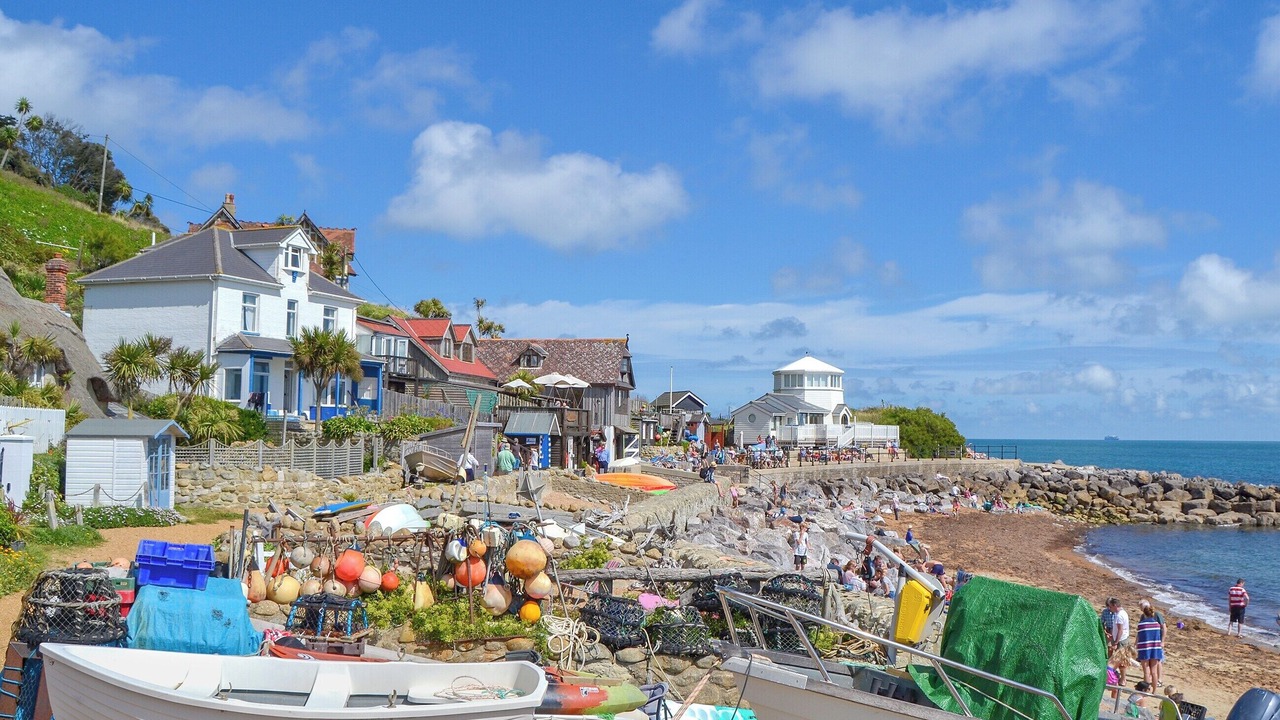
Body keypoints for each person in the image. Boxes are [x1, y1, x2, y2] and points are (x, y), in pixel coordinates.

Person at [1135, 599, 1166, 688]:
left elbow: (1164, 628)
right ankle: (1153, 688)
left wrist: (1162, 641)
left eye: (1141, 607)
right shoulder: (1153, 622)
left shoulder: (1157, 615)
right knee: (1153, 669)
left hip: (1150, 645)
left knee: (1148, 669)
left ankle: (1154, 683)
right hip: (1154, 645)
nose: (1141, 609)